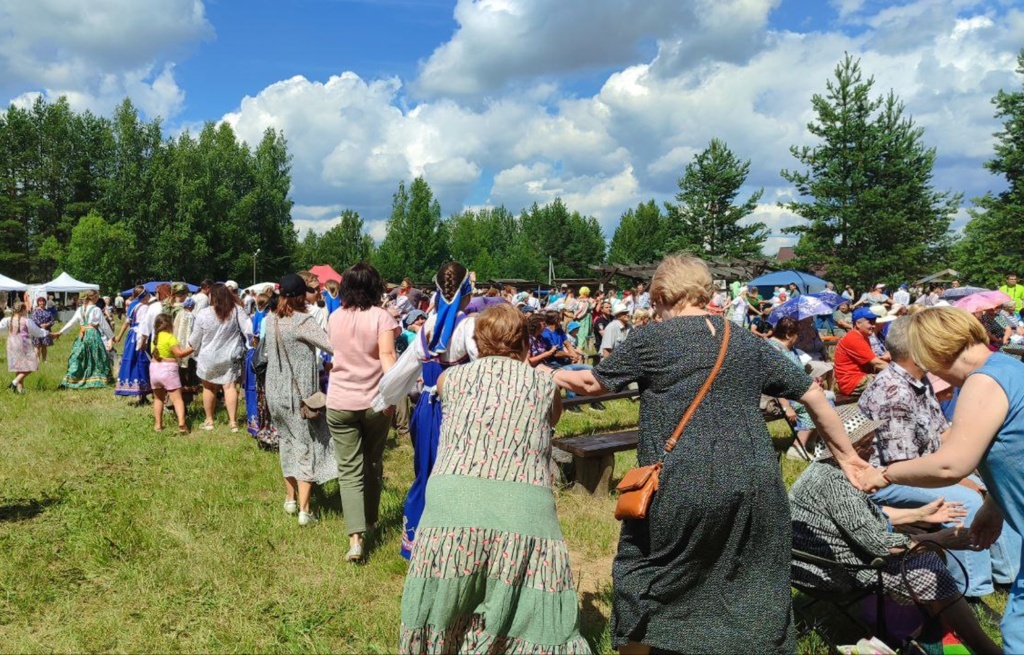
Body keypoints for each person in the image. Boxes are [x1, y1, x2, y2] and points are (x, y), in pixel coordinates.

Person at [550, 254, 867, 654]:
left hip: (680, 481)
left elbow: (591, 383)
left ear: (665, 295)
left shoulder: (653, 338)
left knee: (642, 570)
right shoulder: (748, 340)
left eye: (654, 301)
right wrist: (848, 456)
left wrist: (550, 374)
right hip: (756, 483)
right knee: (748, 574)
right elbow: (812, 393)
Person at [398, 303, 589, 654]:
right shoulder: (545, 385)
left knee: (447, 601)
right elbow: (553, 419)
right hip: (523, 508)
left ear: (478, 341)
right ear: (524, 341)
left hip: (452, 506)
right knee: (525, 607)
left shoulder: (449, 380)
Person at [856, 306, 1024, 652]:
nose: (927, 368)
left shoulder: (983, 381)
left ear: (936, 350)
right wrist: (993, 505)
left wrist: (885, 475)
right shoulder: (1009, 367)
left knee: (1019, 632)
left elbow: (951, 466)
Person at [790, 404, 1000, 655]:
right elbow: (882, 544)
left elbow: (866, 516)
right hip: (835, 573)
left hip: (814, 564)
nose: (872, 448)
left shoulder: (827, 471)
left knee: (924, 545)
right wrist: (939, 539)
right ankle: (984, 647)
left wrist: (920, 514)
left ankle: (933, 628)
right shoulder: (835, 482)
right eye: (865, 443)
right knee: (930, 568)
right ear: (842, 447)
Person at [374, 261, 478, 560]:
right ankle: (454, 546)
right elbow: (486, 368)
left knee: (426, 473)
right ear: (468, 294)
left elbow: (405, 368)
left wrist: (387, 399)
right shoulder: (469, 326)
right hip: (459, 413)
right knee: (459, 476)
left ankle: (417, 542)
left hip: (426, 411)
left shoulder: (429, 324)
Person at [325, 263, 400, 561]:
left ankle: (355, 538)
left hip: (340, 401)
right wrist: (393, 395)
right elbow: (387, 355)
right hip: (374, 402)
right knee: (372, 462)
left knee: (348, 470)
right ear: (374, 286)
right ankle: (370, 520)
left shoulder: (334, 317)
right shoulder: (381, 317)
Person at [263, 274, 336, 526]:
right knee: (305, 445)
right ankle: (306, 511)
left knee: (286, 442)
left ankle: (290, 499)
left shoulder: (271, 318)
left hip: (273, 390)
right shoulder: (302, 321)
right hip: (298, 394)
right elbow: (332, 345)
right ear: (301, 295)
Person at [188, 282, 251, 432]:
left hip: (208, 356)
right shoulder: (237, 310)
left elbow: (195, 339)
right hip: (230, 355)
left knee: (209, 388)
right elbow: (248, 329)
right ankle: (233, 422)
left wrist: (189, 347)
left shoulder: (203, 314)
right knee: (230, 387)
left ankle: (209, 421)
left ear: (211, 296)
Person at [58, 289, 114, 389]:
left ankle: (74, 378)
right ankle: (95, 379)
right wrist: (112, 337)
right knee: (95, 356)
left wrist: (60, 332)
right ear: (94, 297)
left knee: (79, 356)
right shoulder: (96, 309)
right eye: (97, 296)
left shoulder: (80, 309)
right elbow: (104, 325)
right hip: (93, 335)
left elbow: (71, 322)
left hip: (82, 336)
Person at [148, 313, 194, 433]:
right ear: (169, 325)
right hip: (168, 370)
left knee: (158, 399)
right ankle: (182, 425)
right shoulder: (170, 338)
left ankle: (158, 425)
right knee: (177, 399)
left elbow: (155, 354)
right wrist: (193, 348)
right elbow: (179, 353)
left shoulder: (155, 339)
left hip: (154, 369)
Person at [833, 307, 889, 396]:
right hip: (852, 382)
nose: (874, 325)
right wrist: (901, 373)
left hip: (859, 378)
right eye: (870, 322)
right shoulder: (854, 338)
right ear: (858, 324)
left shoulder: (863, 336)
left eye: (874, 322)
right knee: (892, 382)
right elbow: (877, 363)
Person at [2, 302, 55, 393]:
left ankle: (20, 389)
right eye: (25, 309)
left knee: (19, 367)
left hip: (11, 344)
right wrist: (48, 333)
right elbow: (38, 332)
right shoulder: (26, 321)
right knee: (33, 365)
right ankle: (14, 382)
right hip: (23, 344)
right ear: (22, 310)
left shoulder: (7, 320)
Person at [244, 292, 274, 447]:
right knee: (264, 392)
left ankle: (256, 425)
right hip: (264, 357)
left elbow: (249, 338)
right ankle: (265, 426)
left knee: (255, 392)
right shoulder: (269, 319)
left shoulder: (252, 319)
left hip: (254, 356)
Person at [114, 287, 152, 400]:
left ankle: (136, 390)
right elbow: (144, 324)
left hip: (131, 336)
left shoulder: (132, 305)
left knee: (132, 361)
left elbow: (127, 322)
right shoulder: (144, 307)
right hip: (140, 335)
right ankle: (142, 392)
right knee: (142, 361)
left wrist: (119, 336)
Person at [30, 296, 54, 364]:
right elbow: (33, 320)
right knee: (37, 345)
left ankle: (44, 360)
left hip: (46, 331)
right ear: (38, 302)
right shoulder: (35, 311)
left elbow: (52, 320)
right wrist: (40, 325)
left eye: (43, 301)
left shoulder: (48, 311)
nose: (42, 303)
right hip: (37, 330)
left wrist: (46, 325)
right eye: (40, 301)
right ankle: (37, 360)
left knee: (44, 346)